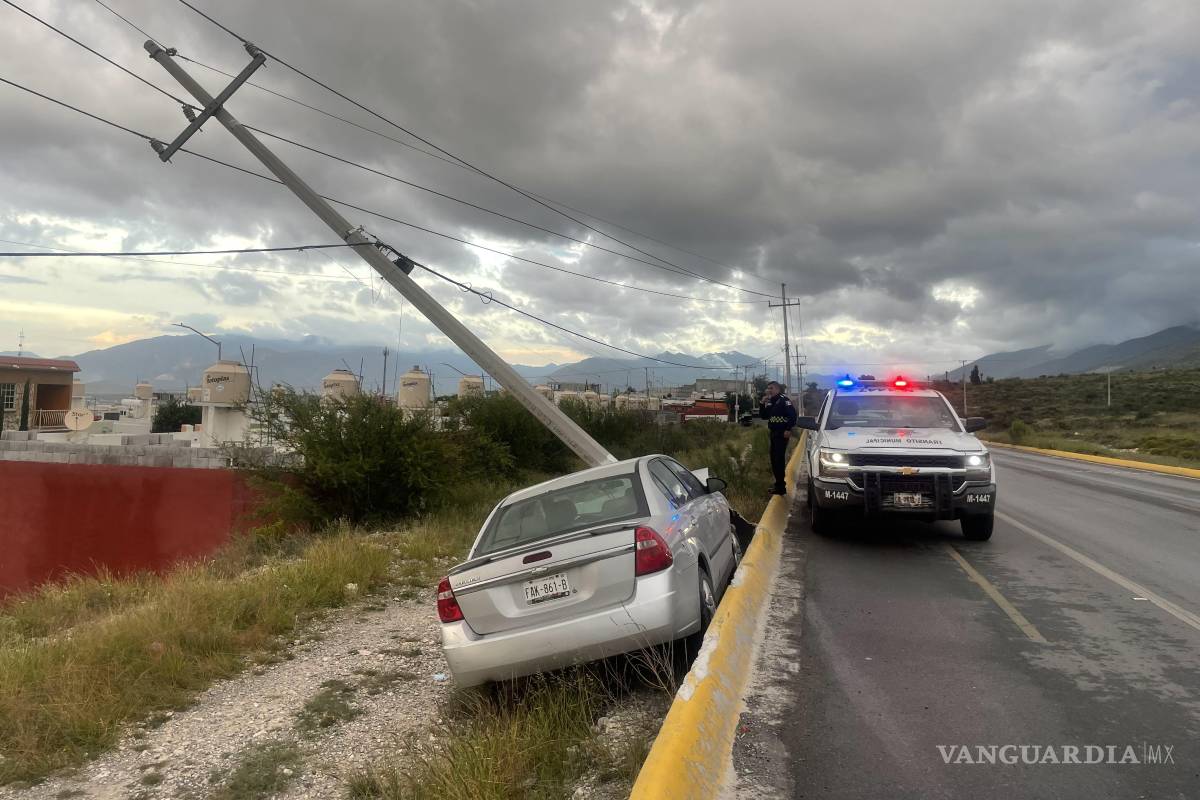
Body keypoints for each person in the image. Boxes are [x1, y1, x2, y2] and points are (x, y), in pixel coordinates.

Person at [760, 381, 797, 495]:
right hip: (774, 433)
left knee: (778, 460)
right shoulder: (771, 401)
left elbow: (793, 415)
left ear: (777, 389)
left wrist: (788, 429)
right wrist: (762, 403)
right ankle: (778, 485)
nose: (769, 390)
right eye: (768, 388)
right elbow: (764, 416)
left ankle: (781, 487)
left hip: (782, 434)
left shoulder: (784, 400)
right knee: (774, 460)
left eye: (771, 388)